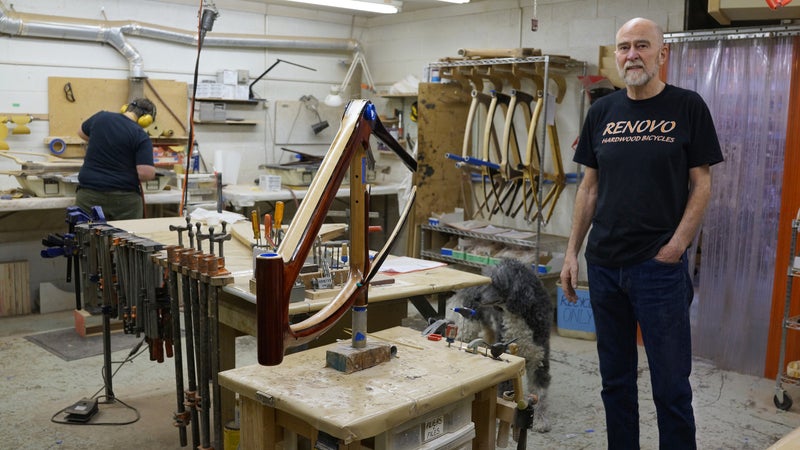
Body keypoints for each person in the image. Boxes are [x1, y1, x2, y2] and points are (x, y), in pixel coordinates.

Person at [559, 17, 723, 449]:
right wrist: (572, 252)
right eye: (624, 47)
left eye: (642, 46)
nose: (632, 55)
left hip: (658, 271)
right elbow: (589, 189)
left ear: (661, 54)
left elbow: (702, 184)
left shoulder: (687, 107)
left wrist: (677, 245)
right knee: (615, 384)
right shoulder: (601, 113)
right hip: (606, 269)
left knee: (671, 389)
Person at [76, 98, 157, 220]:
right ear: (146, 120)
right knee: (126, 238)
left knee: (85, 236)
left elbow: (81, 133)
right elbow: (145, 173)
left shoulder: (101, 117)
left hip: (89, 194)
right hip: (124, 200)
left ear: (126, 108)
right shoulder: (141, 135)